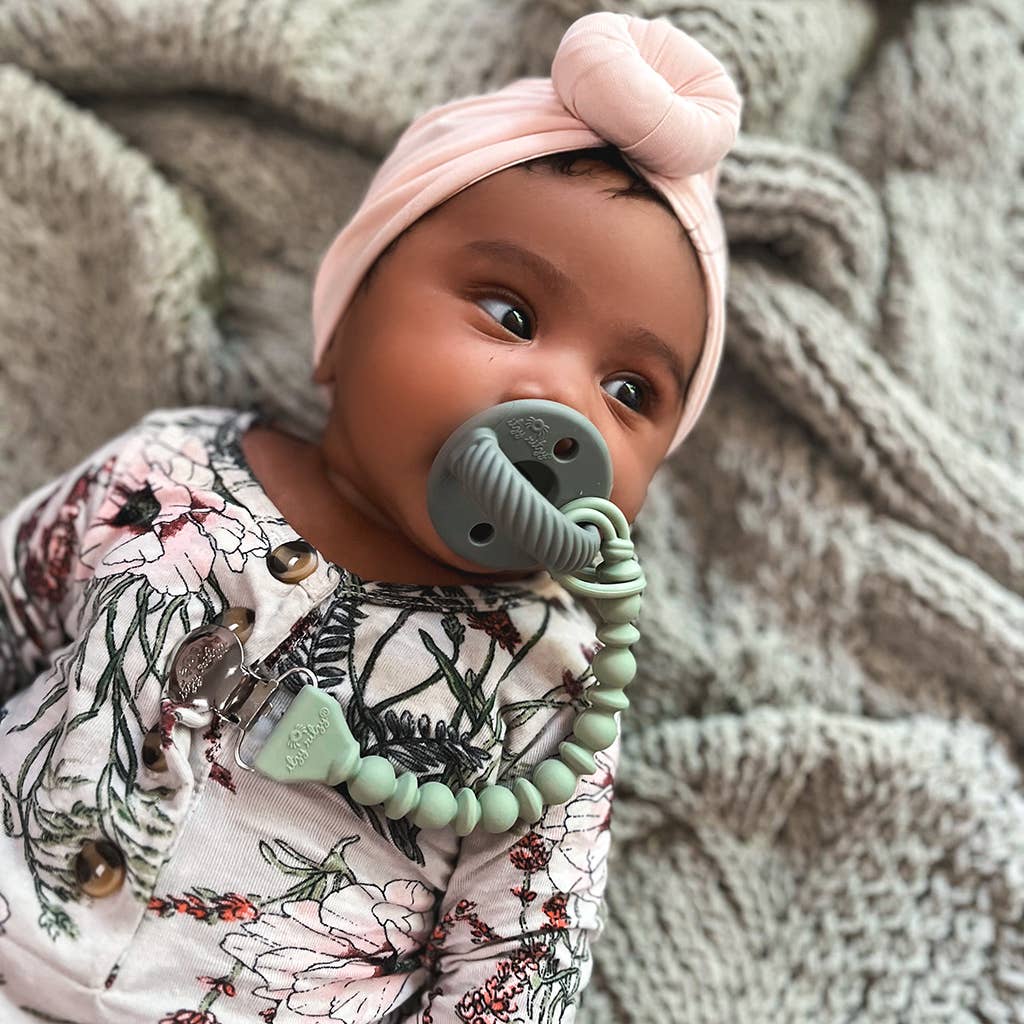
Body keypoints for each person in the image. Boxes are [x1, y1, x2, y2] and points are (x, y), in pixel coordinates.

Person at [0, 11, 741, 1023]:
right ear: (342, 324)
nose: (565, 404)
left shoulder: (552, 681)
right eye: (512, 316)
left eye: (630, 391)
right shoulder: (163, 471)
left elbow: (523, 965)